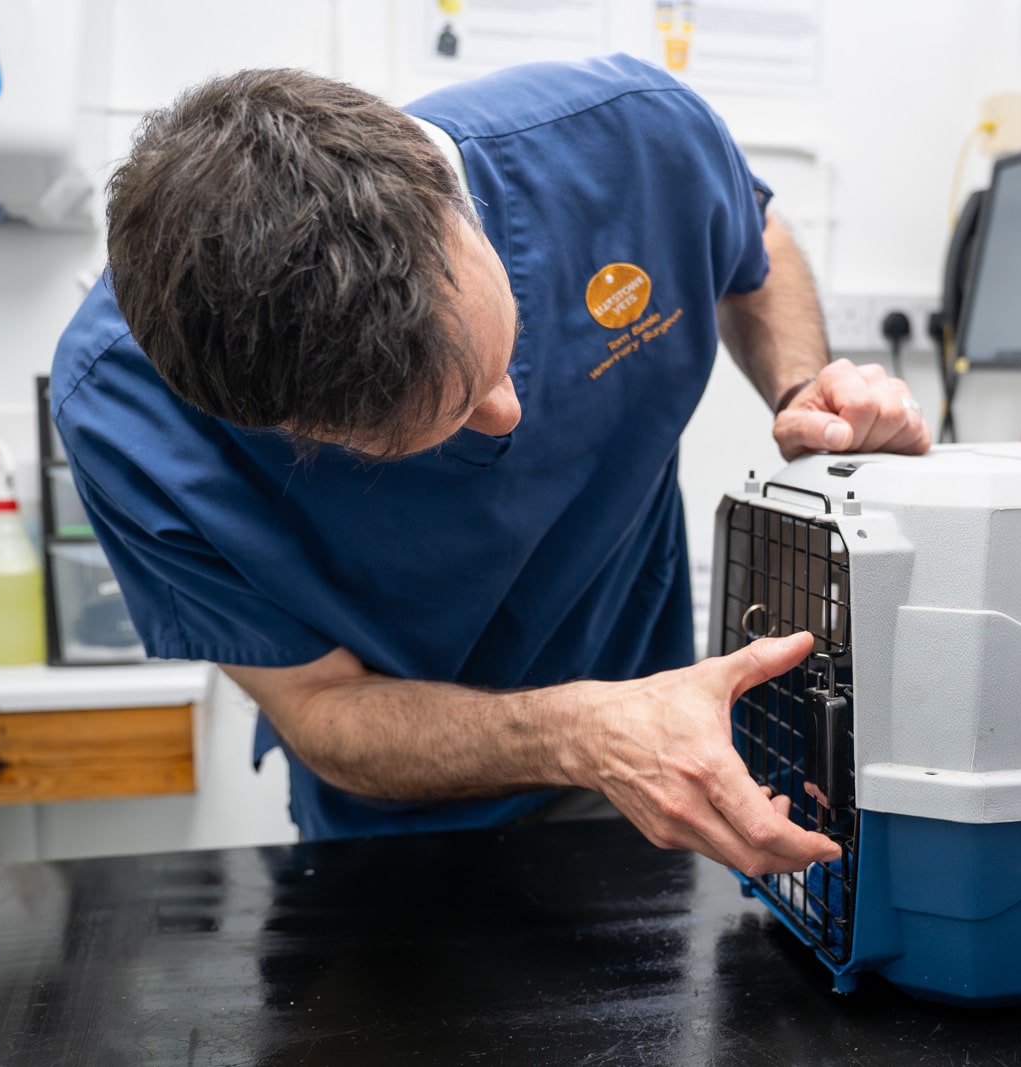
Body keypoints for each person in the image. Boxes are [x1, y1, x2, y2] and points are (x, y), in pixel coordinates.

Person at [50, 54, 929, 878]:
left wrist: (802, 386)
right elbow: (318, 704)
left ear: (451, 202)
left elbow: (750, 233)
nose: (509, 412)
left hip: (663, 735)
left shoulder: (631, 140)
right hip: (402, 836)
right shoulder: (125, 419)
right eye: (446, 416)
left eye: (500, 350)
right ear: (283, 429)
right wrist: (582, 731)